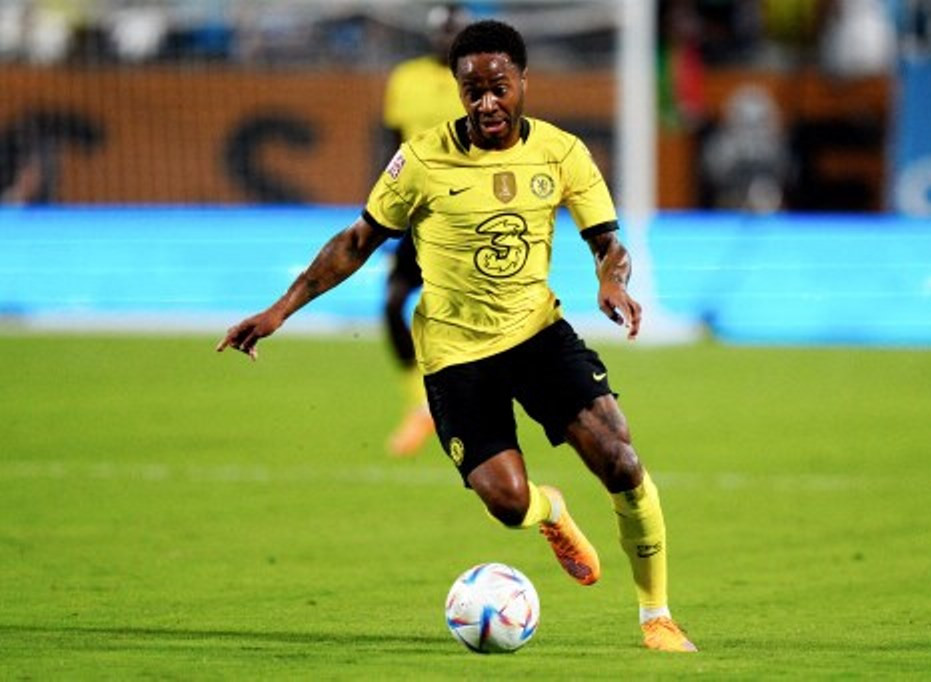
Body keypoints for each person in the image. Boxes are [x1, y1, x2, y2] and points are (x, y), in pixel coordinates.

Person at [218, 19, 698, 653]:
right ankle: (550, 512)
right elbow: (358, 241)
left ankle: (656, 616)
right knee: (507, 503)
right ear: (458, 90)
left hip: (538, 335)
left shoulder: (561, 153)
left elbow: (608, 243)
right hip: (455, 356)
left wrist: (611, 281)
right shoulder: (420, 160)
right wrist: (281, 310)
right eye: (473, 91)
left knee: (621, 460)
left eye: (499, 87)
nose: (487, 103)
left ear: (522, 81)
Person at [380, 4, 469, 457]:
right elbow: (392, 144)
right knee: (394, 302)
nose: (447, 39)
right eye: (442, 31)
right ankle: (419, 406)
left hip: (464, 214)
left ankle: (458, 410)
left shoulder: (477, 83)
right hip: (415, 211)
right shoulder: (405, 79)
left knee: (461, 317)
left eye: (455, 32)